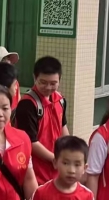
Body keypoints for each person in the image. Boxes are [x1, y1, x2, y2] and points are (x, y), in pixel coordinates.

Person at [14, 56, 69, 186]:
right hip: (35, 174)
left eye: (53, 83)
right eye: (43, 82)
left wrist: (69, 152)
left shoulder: (60, 100)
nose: (48, 87)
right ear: (35, 78)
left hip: (56, 170)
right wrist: (56, 159)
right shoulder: (27, 104)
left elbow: (63, 128)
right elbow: (30, 142)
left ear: (59, 80)